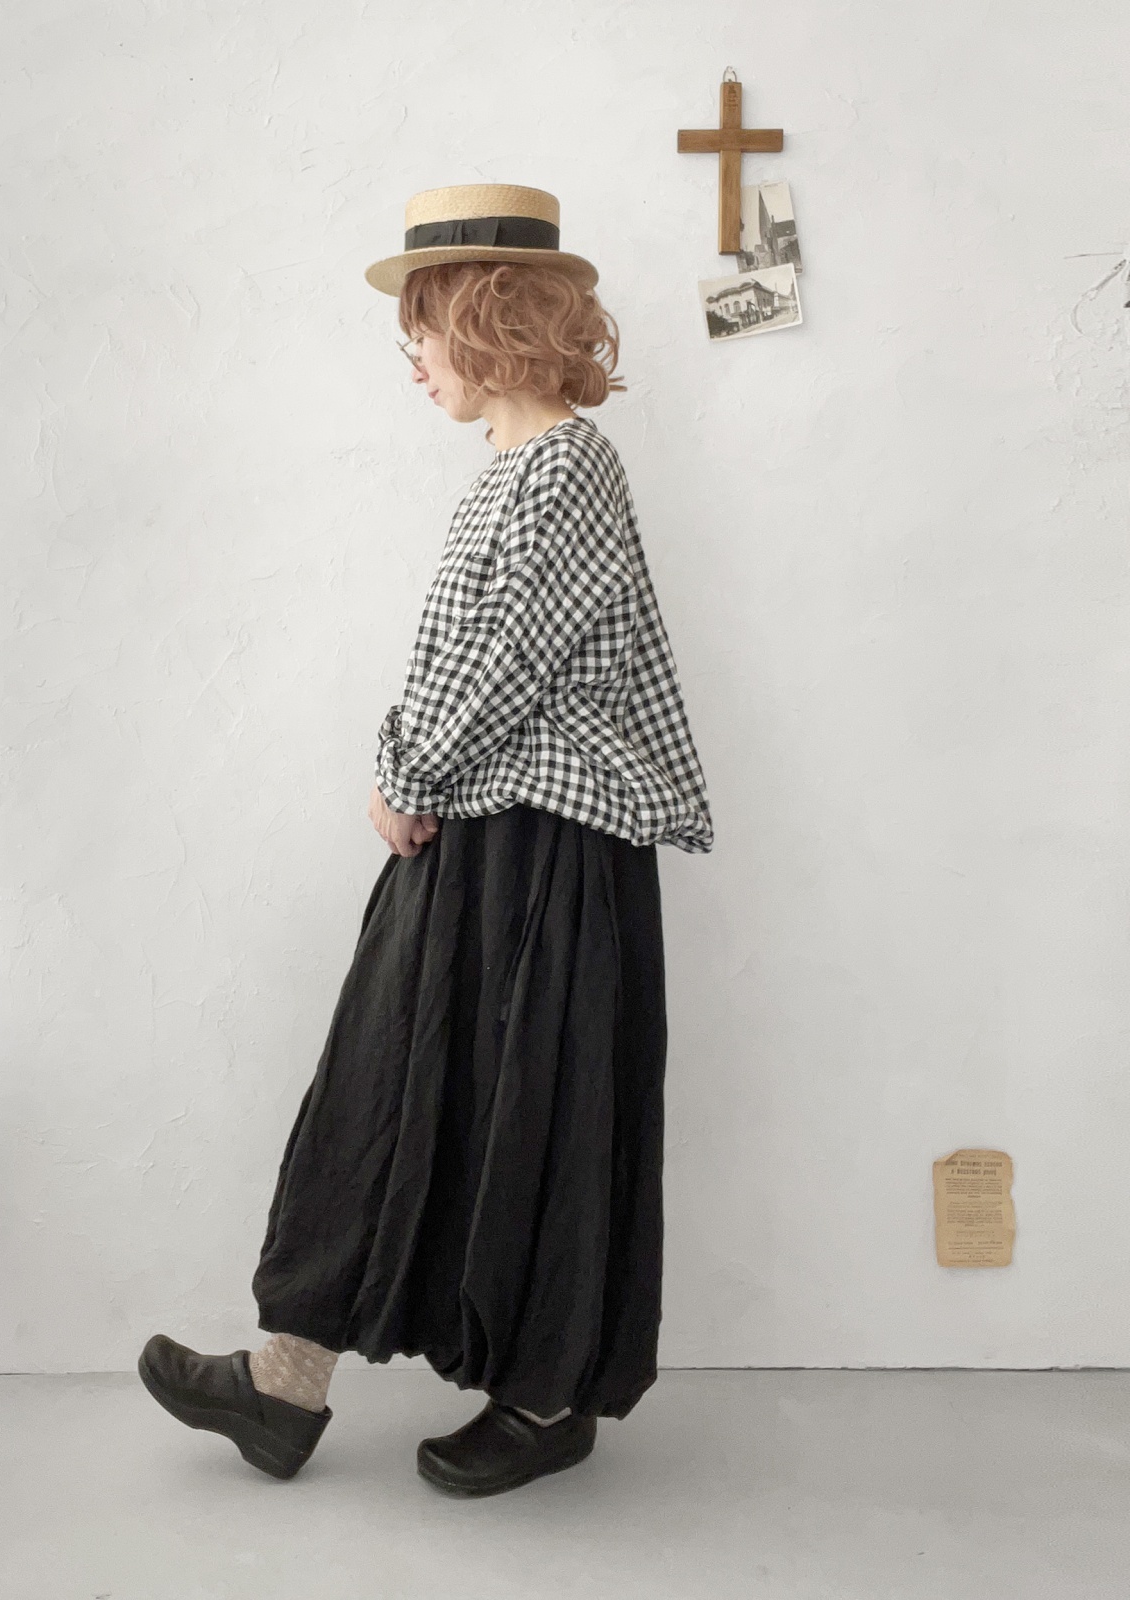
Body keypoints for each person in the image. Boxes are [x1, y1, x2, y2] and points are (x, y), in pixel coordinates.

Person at [137, 183, 714, 1497]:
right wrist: (416, 777)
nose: (411, 358)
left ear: (493, 319)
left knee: (539, 1110)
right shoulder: (513, 469)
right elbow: (481, 658)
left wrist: (403, 769)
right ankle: (284, 1383)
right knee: (385, 1086)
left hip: (553, 849)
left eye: (424, 329)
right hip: (483, 832)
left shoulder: (568, 466)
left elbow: (508, 657)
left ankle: (547, 1397)